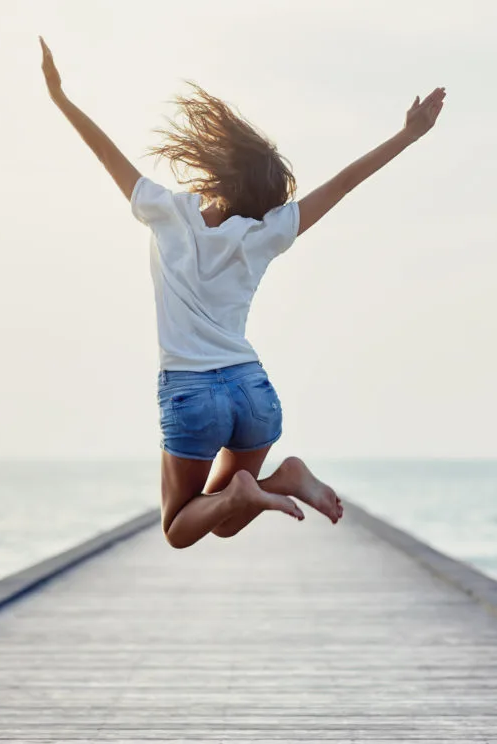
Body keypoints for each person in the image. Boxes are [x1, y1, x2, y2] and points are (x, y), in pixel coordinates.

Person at [38, 36, 445, 549]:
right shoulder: (264, 234)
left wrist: (61, 99)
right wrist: (407, 136)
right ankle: (281, 480)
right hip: (252, 391)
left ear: (219, 172)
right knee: (225, 518)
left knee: (180, 528)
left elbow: (105, 153)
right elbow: (342, 184)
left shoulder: (166, 211)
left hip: (191, 392)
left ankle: (256, 490)